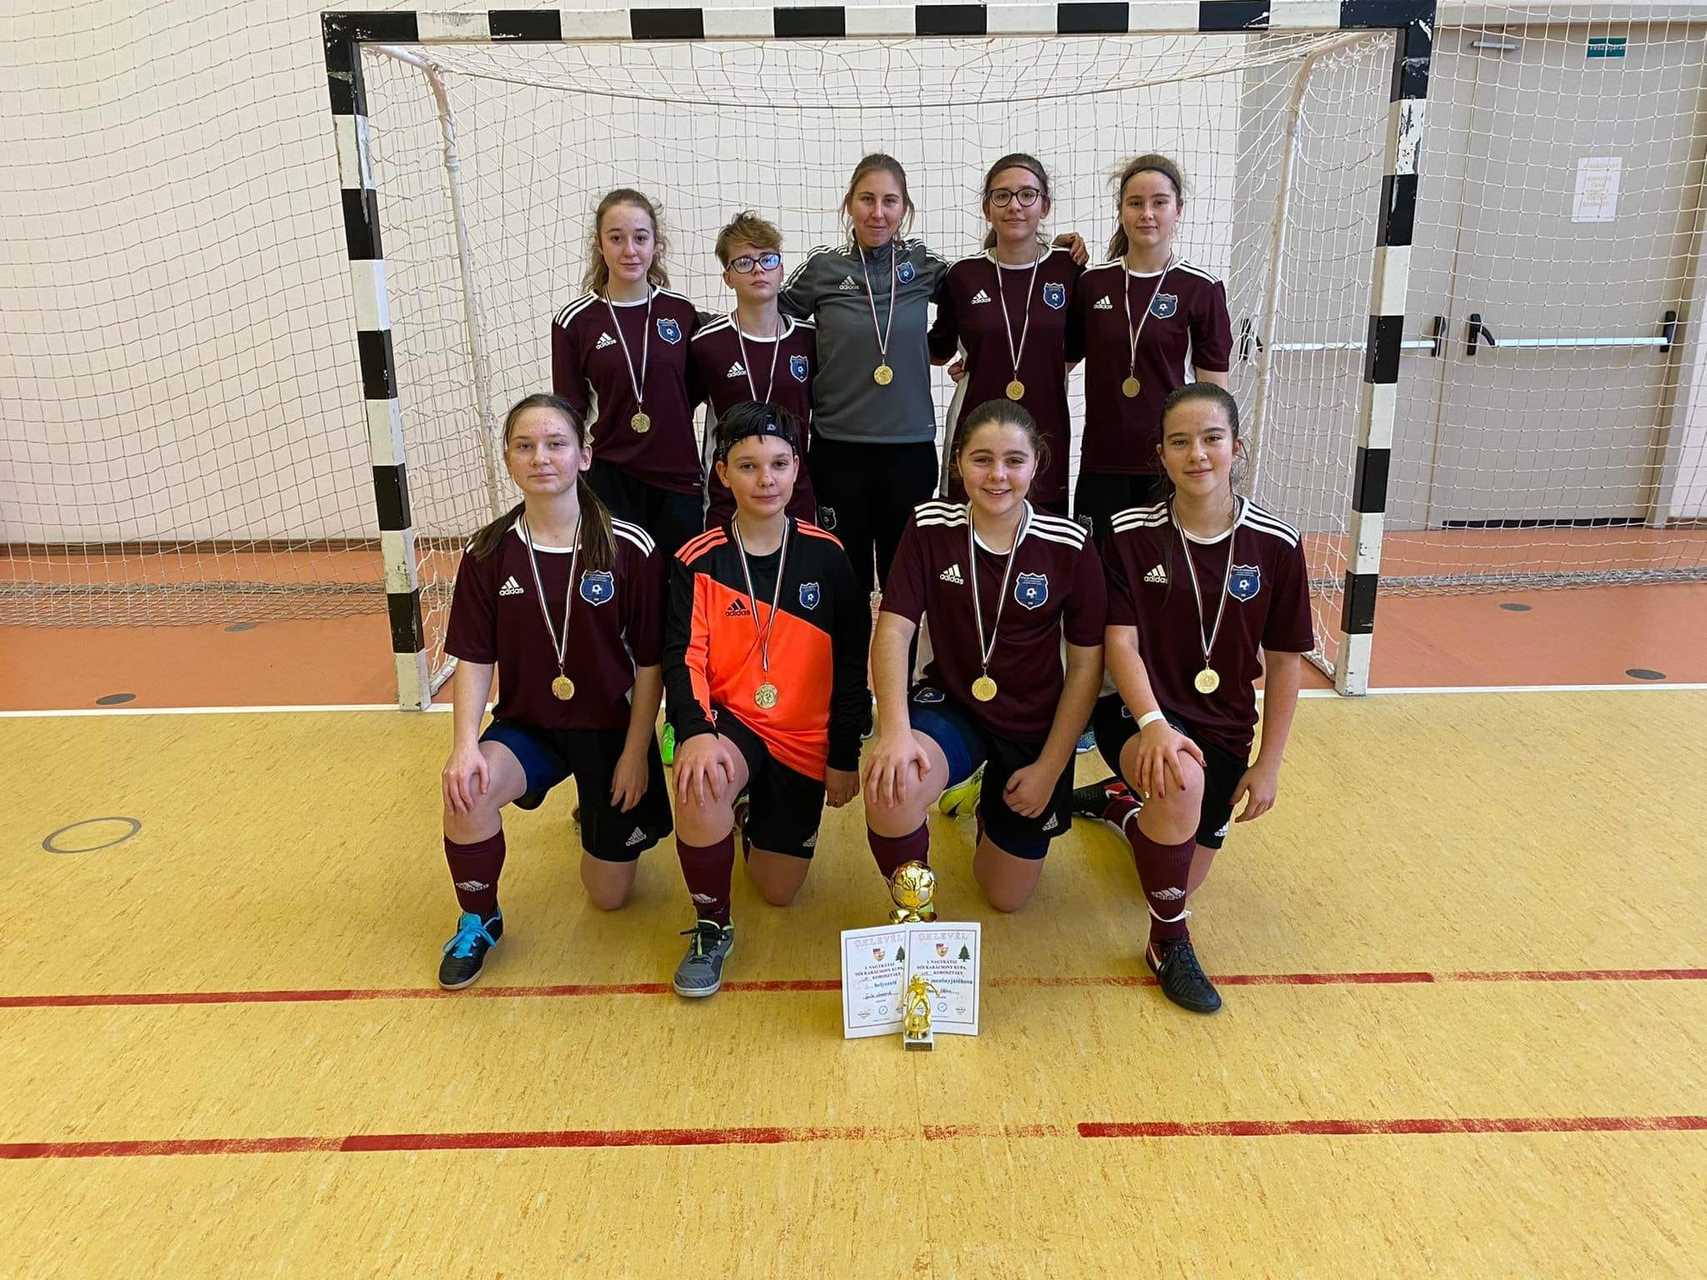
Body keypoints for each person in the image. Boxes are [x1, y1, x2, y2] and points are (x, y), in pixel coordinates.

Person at [1088, 383, 1311, 1014]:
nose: (1197, 455)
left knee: (1177, 877)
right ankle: (1168, 944)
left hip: (1226, 729)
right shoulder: (1127, 533)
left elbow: (1285, 660)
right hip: (1137, 715)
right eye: (1180, 442)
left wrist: (1269, 764)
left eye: (1212, 438)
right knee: (1179, 785)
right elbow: (1119, 644)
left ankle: (1120, 807)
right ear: (1160, 454)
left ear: (1237, 446)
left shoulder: (1277, 543)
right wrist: (1153, 723)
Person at [437, 394, 672, 989]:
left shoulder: (630, 547)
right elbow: (474, 657)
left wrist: (635, 753)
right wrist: (464, 746)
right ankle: (479, 917)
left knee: (608, 897)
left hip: (611, 731)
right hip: (530, 727)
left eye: (556, 444)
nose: (540, 457)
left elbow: (651, 664)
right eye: (525, 446)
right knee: (467, 791)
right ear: (509, 460)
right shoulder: (487, 552)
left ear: (584, 456)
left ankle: (595, 812)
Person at [862, 400, 1106, 912]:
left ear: (1036, 463)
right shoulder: (928, 526)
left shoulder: (1070, 544)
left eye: (1014, 460)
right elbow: (894, 631)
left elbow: (1086, 666)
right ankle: (914, 911)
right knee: (893, 784)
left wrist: (1050, 766)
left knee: (1005, 897)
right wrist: (894, 732)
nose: (998, 475)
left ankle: (985, 797)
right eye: (981, 459)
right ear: (958, 462)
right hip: (954, 705)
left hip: (1032, 724)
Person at [662, 403, 868, 998]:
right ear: (723, 472)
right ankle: (712, 925)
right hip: (733, 724)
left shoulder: (829, 556)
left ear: (797, 468)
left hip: (804, 735)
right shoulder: (697, 559)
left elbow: (851, 666)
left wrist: (843, 755)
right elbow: (683, 657)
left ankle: (749, 815)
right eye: (748, 466)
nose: (766, 479)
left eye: (778, 464)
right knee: (701, 782)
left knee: (779, 889)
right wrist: (695, 731)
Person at [778, 153, 947, 602]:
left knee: (905, 582)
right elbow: (770, 316)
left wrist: (1051, 252)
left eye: (890, 201)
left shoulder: (923, 263)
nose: (878, 212)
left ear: (904, 207)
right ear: (849, 203)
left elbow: (981, 292)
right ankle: (847, 655)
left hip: (909, 448)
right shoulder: (823, 267)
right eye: (867, 199)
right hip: (839, 449)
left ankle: (899, 654)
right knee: (844, 581)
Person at [1068, 154, 1232, 546]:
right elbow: (1051, 363)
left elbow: (1215, 395)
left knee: (1167, 570)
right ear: (1121, 210)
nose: (1147, 214)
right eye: (1135, 203)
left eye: (1159, 202)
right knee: (1099, 569)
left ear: (1178, 210)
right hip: (1104, 460)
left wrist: (1216, 470)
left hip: (1172, 463)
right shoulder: (1091, 284)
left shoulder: (1201, 288)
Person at [551, 187, 704, 559]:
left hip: (677, 477)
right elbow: (570, 412)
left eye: (640, 238)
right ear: (599, 245)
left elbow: (690, 393)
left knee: (680, 584)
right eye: (616, 238)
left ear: (656, 244)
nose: (630, 250)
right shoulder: (575, 321)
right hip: (611, 477)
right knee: (619, 581)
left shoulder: (682, 313)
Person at [928, 153, 1082, 516]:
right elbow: (938, 350)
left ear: (1045, 206)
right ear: (987, 208)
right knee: (968, 533)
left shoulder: (1069, 270)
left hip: (1046, 429)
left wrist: (1041, 369)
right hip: (974, 427)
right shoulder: (962, 275)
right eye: (1002, 196)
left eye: (1027, 195)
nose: (1015, 206)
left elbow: (1079, 346)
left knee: (1043, 538)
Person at [689, 210, 817, 527]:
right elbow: (678, 415)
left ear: (781, 270)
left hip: (795, 495)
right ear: (728, 277)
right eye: (744, 262)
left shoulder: (810, 339)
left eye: (767, 259)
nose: (758, 269)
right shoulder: (706, 344)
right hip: (727, 499)